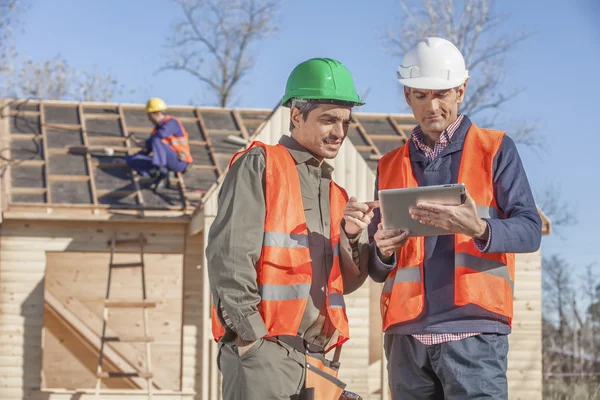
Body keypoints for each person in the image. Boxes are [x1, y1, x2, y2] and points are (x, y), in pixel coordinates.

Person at [368, 37, 542, 399]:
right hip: (407, 339)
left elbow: (529, 230)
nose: (432, 106)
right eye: (421, 95)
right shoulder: (388, 165)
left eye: (442, 94)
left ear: (461, 90)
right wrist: (381, 251)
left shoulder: (495, 150)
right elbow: (377, 266)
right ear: (407, 97)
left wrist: (478, 228)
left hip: (473, 333)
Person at [206, 58, 373, 400]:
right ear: (296, 116)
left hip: (314, 358)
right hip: (264, 354)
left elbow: (347, 283)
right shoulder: (261, 164)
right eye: (328, 120)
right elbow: (229, 258)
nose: (339, 132)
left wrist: (353, 239)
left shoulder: (336, 194)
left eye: (345, 122)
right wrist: (252, 339)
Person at [125, 98, 192, 190]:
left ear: (156, 113)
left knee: (156, 139)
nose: (149, 119)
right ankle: (158, 173)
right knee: (131, 160)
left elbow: (162, 134)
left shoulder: (172, 122)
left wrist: (148, 142)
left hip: (179, 161)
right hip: (164, 162)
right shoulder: (156, 132)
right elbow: (147, 150)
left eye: (150, 115)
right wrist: (130, 159)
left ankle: (161, 171)